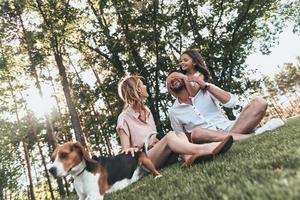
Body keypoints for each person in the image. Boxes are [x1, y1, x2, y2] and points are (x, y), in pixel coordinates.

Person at [167, 49, 284, 142]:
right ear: (168, 87)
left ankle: (231, 139)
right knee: (197, 133)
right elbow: (182, 138)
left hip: (229, 127)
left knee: (259, 102)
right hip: (208, 138)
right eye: (169, 80)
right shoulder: (174, 111)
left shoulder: (205, 87)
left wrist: (206, 86)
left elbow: (232, 103)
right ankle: (253, 135)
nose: (173, 80)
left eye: (176, 76)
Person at [116, 75, 233, 167]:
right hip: (141, 161)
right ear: (138, 90)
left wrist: (155, 143)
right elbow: (126, 152)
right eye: (142, 85)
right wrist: (133, 149)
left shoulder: (147, 112)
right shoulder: (124, 118)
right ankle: (207, 149)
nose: (145, 86)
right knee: (170, 136)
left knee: (180, 135)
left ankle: (188, 159)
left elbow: (152, 139)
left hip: (155, 154)